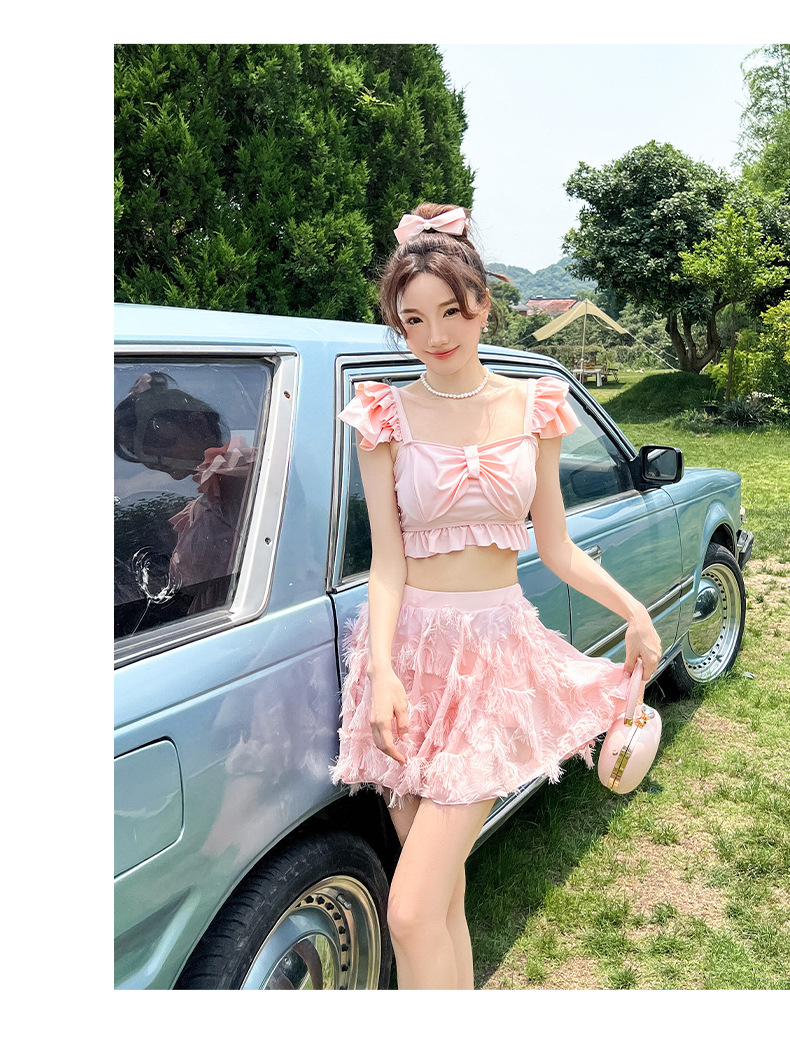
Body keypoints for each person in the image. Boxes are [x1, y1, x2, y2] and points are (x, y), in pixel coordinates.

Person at [331, 203, 662, 990]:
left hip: (490, 661)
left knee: (408, 913)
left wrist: (635, 610)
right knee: (440, 897)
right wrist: (384, 672)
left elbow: (557, 546)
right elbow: (386, 564)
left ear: (482, 303)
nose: (435, 335)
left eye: (451, 311)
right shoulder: (382, 414)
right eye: (413, 320)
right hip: (407, 661)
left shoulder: (534, 406)